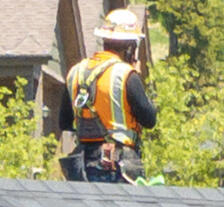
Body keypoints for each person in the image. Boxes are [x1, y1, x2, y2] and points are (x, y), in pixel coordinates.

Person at [65, 9, 160, 182]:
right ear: (130, 46)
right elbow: (149, 119)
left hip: (82, 164)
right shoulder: (126, 75)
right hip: (116, 165)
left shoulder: (75, 72)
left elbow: (64, 121)